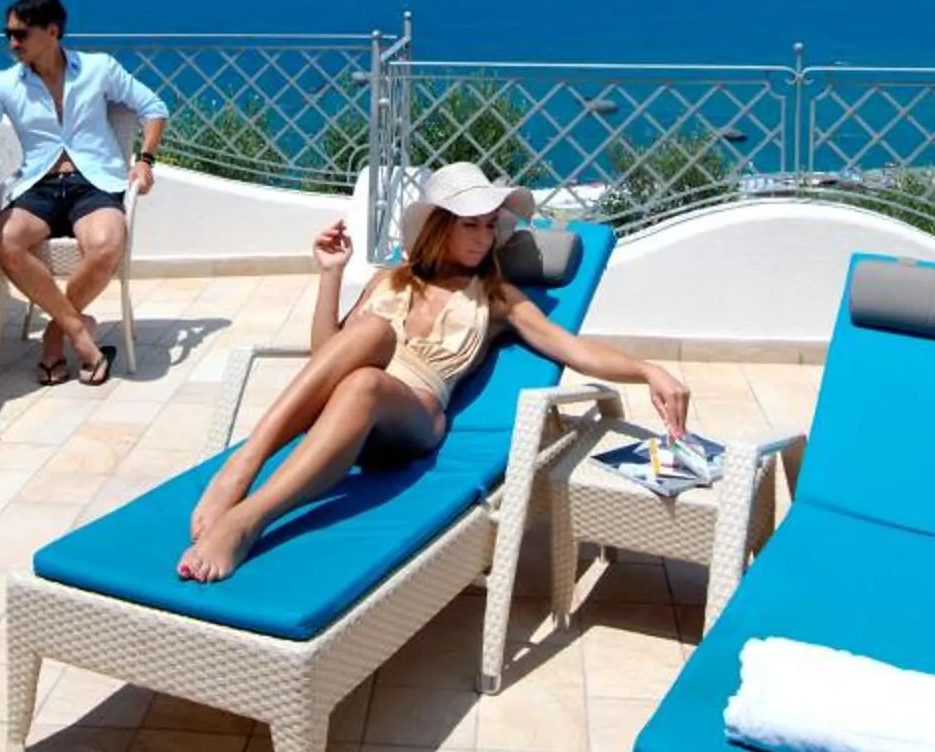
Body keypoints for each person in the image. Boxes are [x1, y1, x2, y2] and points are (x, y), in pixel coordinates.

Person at [177, 161, 690, 581]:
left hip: (416, 416)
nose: (484, 238)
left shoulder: (497, 298)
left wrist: (647, 371)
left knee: (367, 380)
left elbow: (573, 349)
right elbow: (326, 358)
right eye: (470, 224)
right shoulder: (388, 280)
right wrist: (330, 276)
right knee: (370, 341)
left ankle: (248, 518)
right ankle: (242, 464)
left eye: (491, 226)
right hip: (352, 409)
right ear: (438, 226)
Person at [0, 0, 167, 387]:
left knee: (108, 243)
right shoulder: (4, 84)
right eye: (8, 34)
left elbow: (153, 107)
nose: (11, 44)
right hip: (39, 184)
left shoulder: (98, 68)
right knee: (4, 240)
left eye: (20, 34)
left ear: (52, 32)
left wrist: (145, 160)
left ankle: (56, 336)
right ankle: (79, 332)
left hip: (94, 182)